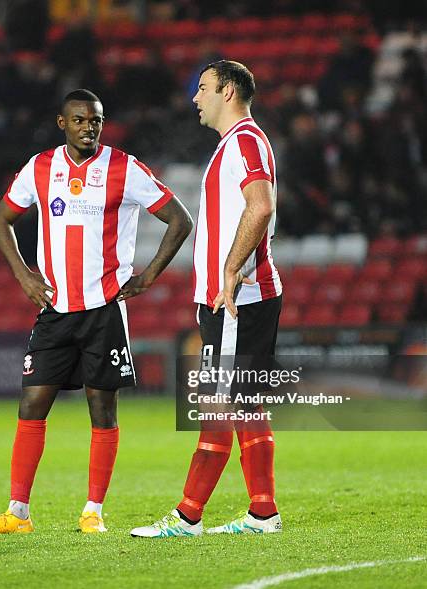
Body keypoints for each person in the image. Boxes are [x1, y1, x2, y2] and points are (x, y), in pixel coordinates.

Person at [0, 89, 193, 535]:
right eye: (80, 120)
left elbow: (180, 220)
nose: (90, 126)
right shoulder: (39, 168)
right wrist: (24, 275)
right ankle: (18, 513)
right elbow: (0, 220)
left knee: (101, 409)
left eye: (97, 120)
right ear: (62, 123)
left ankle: (93, 511)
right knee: (31, 403)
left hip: (104, 310)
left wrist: (147, 278)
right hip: (55, 309)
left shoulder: (124, 168)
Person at [131, 60, 283, 538]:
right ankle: (260, 513)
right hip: (233, 297)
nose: (195, 98)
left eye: (203, 88)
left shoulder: (243, 142)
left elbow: (261, 205)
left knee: (221, 405)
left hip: (239, 297)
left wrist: (230, 270)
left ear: (230, 90)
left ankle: (190, 516)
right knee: (240, 406)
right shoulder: (232, 146)